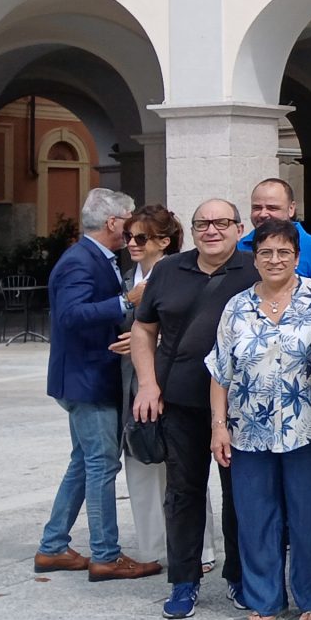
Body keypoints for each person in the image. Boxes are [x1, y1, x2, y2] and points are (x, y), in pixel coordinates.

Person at [207, 219, 311, 620]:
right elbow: (220, 371)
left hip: (310, 426)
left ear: (298, 257)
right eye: (266, 252)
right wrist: (218, 425)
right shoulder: (237, 306)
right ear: (256, 258)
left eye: (284, 252)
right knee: (255, 515)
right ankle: (263, 597)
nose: (275, 259)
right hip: (249, 430)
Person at [133, 199, 257, 617]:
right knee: (183, 493)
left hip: (242, 405)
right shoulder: (168, 270)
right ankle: (184, 581)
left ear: (239, 229)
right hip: (180, 400)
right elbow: (143, 329)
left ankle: (240, 577)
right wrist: (147, 385)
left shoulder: (256, 268)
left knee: (239, 494)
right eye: (203, 223)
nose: (211, 230)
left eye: (222, 222)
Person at [38, 188, 159, 580]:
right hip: (84, 379)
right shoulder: (79, 260)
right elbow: (70, 316)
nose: (134, 231)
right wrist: (128, 301)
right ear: (113, 223)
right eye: (129, 222)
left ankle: (53, 545)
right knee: (101, 464)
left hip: (87, 376)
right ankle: (106, 554)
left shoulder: (97, 257)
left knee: (83, 463)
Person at [117, 205, 181, 572]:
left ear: (163, 241)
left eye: (140, 237)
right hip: (129, 383)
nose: (131, 244)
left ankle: (196, 549)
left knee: (178, 468)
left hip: (167, 380)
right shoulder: (128, 276)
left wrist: (146, 343)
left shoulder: (174, 273)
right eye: (128, 237)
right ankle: (151, 548)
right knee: (140, 459)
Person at [237, 178, 311, 281]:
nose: (263, 214)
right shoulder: (239, 246)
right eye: (257, 208)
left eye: (272, 208)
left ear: (291, 209)